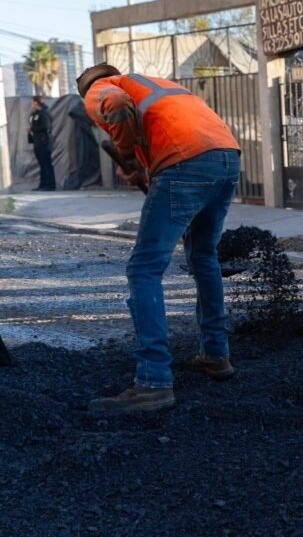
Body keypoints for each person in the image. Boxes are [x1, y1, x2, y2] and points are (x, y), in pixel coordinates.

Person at [77, 64, 241, 415]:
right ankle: (216, 354)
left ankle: (153, 382)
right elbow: (159, 133)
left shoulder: (101, 88)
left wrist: (123, 155)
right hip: (226, 157)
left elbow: (116, 107)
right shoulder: (156, 86)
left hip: (186, 163)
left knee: (144, 268)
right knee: (203, 257)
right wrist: (139, 167)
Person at [28, 96, 56, 191]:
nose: (32, 105)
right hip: (37, 141)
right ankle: (43, 184)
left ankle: (50, 185)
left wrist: (32, 129)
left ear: (36, 103)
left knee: (46, 163)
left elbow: (46, 126)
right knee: (42, 164)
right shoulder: (35, 114)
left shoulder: (44, 113)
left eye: (33, 103)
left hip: (44, 142)